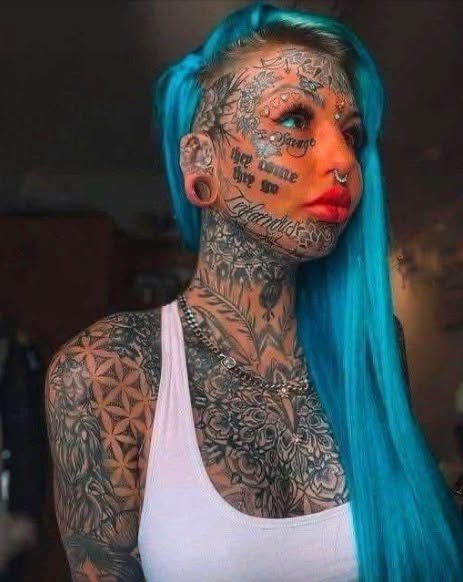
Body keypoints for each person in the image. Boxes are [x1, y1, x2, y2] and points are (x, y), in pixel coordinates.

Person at [45, 3, 463, 580]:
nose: (343, 160)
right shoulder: (111, 371)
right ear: (201, 161)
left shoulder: (371, 349)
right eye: (294, 120)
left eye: (351, 133)